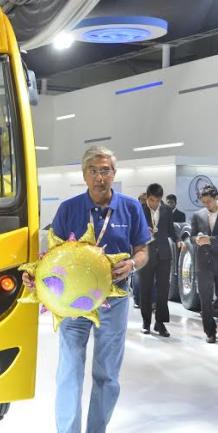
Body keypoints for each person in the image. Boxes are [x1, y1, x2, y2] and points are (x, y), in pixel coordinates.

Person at [23, 145, 149, 433]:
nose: (99, 177)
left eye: (105, 170)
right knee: (69, 370)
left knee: (107, 373)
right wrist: (36, 278)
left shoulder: (130, 208)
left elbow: (142, 250)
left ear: (114, 173)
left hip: (114, 300)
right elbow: (51, 256)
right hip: (72, 304)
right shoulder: (69, 209)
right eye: (93, 171)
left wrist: (132, 263)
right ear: (84, 175)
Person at [139, 183, 183, 337]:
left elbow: (171, 229)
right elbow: (133, 231)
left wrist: (178, 240)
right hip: (145, 255)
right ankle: (146, 323)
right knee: (146, 289)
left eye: (158, 201)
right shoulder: (139, 209)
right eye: (152, 200)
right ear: (147, 197)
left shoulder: (166, 210)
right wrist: (143, 232)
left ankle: (160, 323)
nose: (155, 203)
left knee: (163, 290)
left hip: (164, 254)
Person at [190, 184, 218, 343]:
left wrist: (211, 240)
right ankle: (210, 332)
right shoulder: (197, 215)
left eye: (209, 201)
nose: (206, 205)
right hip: (203, 263)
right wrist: (197, 239)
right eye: (203, 202)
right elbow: (191, 236)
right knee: (205, 299)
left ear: (216, 198)